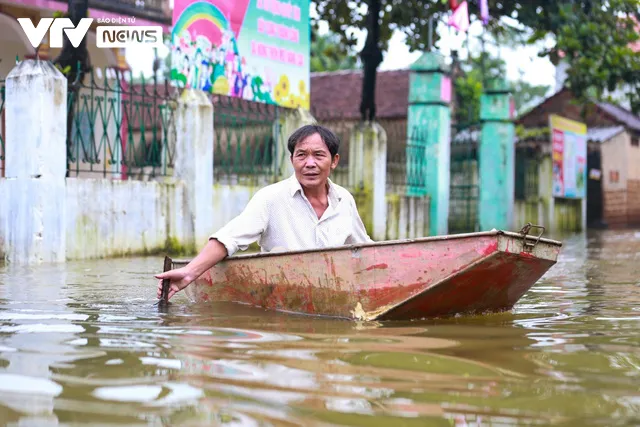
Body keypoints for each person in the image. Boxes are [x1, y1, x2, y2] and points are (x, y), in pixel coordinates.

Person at [155, 124, 373, 301]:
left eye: (318, 155)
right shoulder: (270, 198)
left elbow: (366, 250)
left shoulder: (345, 200)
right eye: (301, 155)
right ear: (292, 160)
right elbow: (230, 237)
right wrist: (189, 272)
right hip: (284, 296)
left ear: (334, 161)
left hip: (334, 295)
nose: (309, 163)